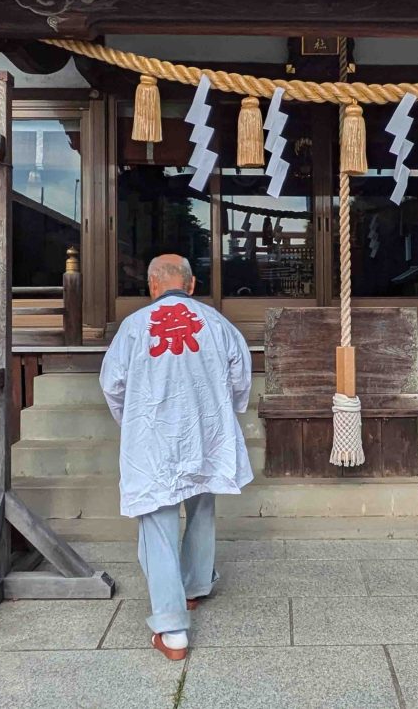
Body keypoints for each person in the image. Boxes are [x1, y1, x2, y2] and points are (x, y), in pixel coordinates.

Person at [99, 254, 253, 660]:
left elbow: (113, 384)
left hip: (153, 437)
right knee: (202, 507)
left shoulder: (134, 328)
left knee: (158, 522)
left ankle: (172, 631)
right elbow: (241, 378)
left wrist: (129, 420)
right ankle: (195, 586)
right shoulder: (218, 324)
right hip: (205, 433)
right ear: (190, 285)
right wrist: (226, 412)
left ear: (152, 286)